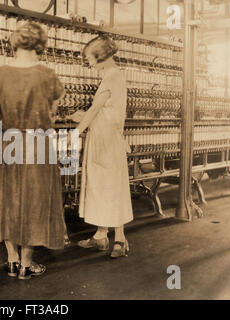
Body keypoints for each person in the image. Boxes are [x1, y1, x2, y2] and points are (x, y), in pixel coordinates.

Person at [0, 22, 66, 279]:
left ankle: (11, 259)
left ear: (14, 42)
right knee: (35, 201)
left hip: (8, 142)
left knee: (7, 199)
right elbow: (52, 114)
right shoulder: (48, 75)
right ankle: (27, 265)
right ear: (41, 44)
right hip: (38, 144)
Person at [68, 34, 133, 258]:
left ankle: (121, 239)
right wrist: (83, 117)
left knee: (112, 188)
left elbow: (96, 110)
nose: (88, 62)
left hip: (107, 141)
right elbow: (103, 110)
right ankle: (100, 236)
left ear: (100, 56)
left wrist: (76, 132)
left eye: (89, 57)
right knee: (100, 187)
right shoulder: (112, 76)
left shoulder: (112, 76)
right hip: (103, 138)